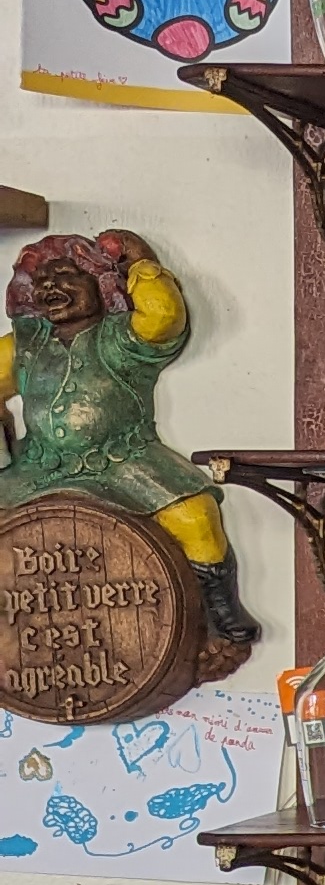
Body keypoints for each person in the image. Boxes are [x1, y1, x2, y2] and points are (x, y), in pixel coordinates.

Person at [0, 227, 255, 667]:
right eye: (41, 282)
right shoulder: (24, 344)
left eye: (66, 277)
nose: (51, 289)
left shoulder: (121, 337)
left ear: (100, 285)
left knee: (195, 517)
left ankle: (220, 617)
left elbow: (163, 317)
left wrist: (141, 264)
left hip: (125, 461)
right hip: (40, 465)